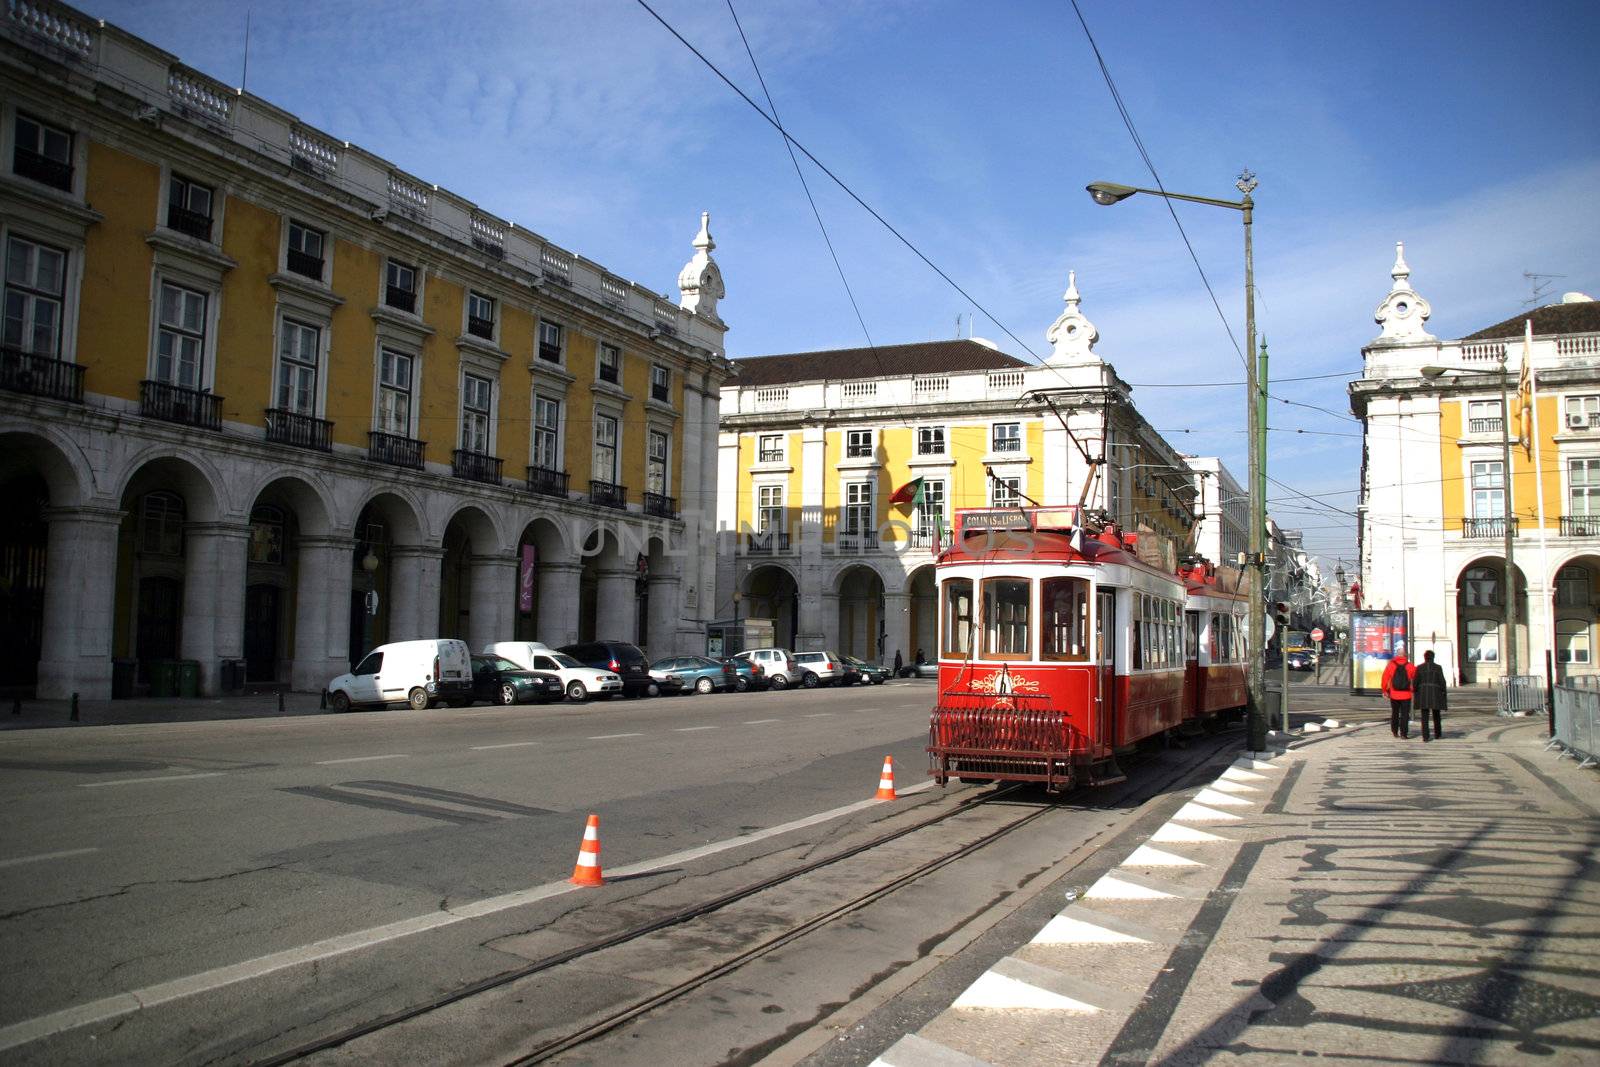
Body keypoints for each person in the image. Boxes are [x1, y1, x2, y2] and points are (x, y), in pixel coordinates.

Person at [1413, 650, 1448, 741]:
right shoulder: (1438, 668)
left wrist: (1415, 690)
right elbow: (1442, 681)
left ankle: (1425, 736)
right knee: (1436, 715)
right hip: (1435, 694)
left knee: (1424, 716)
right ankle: (1437, 733)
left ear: (1424, 657)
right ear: (1433, 657)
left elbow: (1415, 682)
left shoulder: (1419, 667)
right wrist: (1443, 692)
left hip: (1423, 694)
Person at [1381, 651, 1415, 739]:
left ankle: (1395, 731)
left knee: (1395, 713)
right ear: (1405, 656)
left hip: (1394, 694)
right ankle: (1404, 733)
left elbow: (1385, 678)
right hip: (1406, 694)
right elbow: (1415, 679)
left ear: (1397, 655)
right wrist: (1413, 690)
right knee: (1405, 714)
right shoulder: (1410, 666)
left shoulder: (1391, 665)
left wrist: (1384, 690)